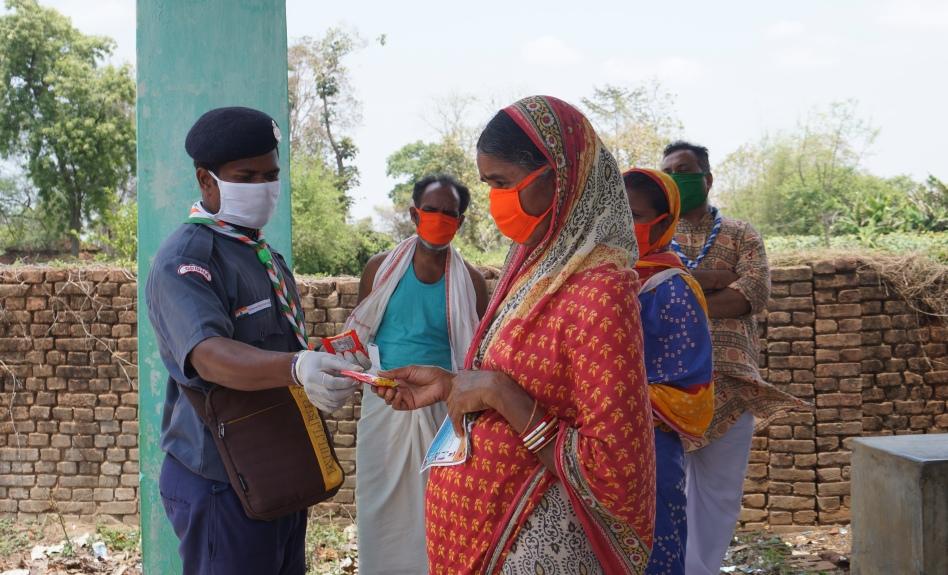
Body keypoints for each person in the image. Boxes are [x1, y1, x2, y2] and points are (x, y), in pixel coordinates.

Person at [375, 96, 656, 574]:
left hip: (540, 544)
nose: (495, 201)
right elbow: (522, 379)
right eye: (488, 186)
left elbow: (616, 468)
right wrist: (450, 384)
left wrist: (498, 392)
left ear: (559, 175)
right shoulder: (532, 267)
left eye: (503, 184)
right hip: (483, 536)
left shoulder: (601, 289)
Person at [145, 107, 362, 575]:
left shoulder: (261, 254)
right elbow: (207, 355)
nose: (263, 187)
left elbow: (280, 345)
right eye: (246, 176)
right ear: (207, 181)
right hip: (220, 477)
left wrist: (328, 362)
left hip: (275, 470)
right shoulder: (187, 260)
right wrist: (296, 367)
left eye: (271, 174)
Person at [661, 141, 808, 575]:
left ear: (706, 179)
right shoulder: (651, 235)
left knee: (720, 496)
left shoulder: (741, 233)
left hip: (731, 385)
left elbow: (754, 294)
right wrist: (715, 280)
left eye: (683, 170)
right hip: (666, 388)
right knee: (666, 491)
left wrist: (680, 287)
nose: (675, 178)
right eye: (667, 171)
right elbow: (641, 292)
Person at [345, 174, 488, 574]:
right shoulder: (379, 269)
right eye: (431, 210)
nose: (439, 219)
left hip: (442, 412)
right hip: (384, 407)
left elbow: (479, 358)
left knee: (440, 511)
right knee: (381, 510)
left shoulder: (471, 282)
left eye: (449, 213)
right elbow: (358, 338)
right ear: (414, 214)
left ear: (459, 222)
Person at [623, 168, 715, 575]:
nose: (623, 226)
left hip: (650, 448)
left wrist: (609, 396)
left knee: (652, 549)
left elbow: (687, 388)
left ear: (663, 223)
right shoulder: (601, 275)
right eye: (615, 213)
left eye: (635, 216)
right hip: (595, 443)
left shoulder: (671, 287)